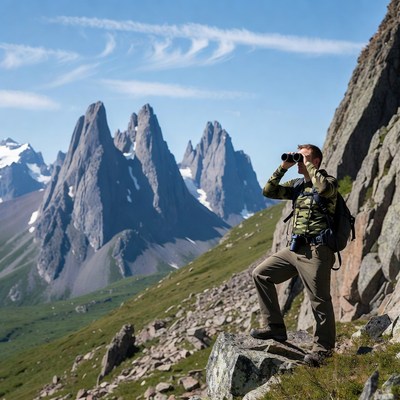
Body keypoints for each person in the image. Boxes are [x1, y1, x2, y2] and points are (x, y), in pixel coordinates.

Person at [251, 144, 337, 367]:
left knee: (319, 300)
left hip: (317, 251)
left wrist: (308, 166)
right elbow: (268, 191)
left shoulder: (328, 182)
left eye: (304, 158)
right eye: (298, 157)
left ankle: (323, 350)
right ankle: (275, 328)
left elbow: (325, 189)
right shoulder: (296, 185)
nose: (299, 161)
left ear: (316, 161)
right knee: (261, 274)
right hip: (295, 249)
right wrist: (284, 166)